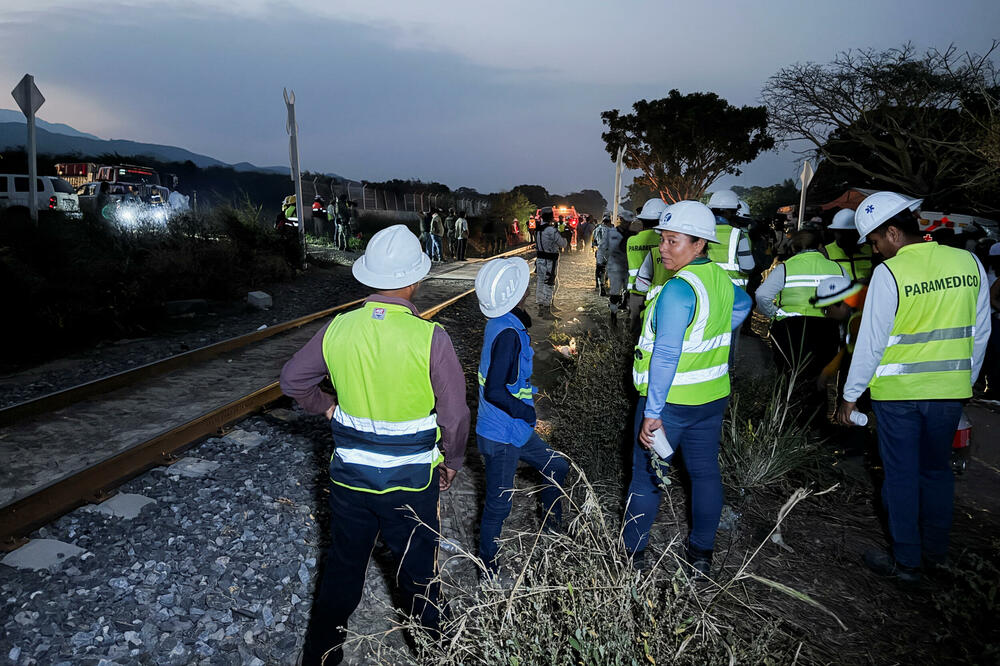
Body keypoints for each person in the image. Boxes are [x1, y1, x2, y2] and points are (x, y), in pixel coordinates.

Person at [280, 225, 470, 665]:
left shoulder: (338, 329)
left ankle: (319, 658)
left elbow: (293, 380)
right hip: (411, 483)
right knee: (419, 575)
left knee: (344, 569)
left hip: (351, 482)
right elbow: (455, 416)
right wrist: (453, 459)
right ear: (414, 280)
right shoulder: (430, 338)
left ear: (368, 278)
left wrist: (326, 407)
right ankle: (438, 655)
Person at [835, 192, 990, 584]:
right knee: (937, 473)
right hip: (948, 393)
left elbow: (870, 342)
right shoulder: (969, 262)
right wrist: (963, 382)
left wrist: (850, 396)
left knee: (901, 476)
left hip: (898, 396)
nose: (874, 250)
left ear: (892, 232)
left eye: (874, 242)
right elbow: (981, 331)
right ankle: (937, 556)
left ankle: (907, 563)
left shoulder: (890, 274)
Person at [624, 201, 752, 575]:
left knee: (646, 481)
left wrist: (652, 413)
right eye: (662, 239)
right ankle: (701, 555)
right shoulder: (717, 277)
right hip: (711, 399)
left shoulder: (677, 290)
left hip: (671, 404)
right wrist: (712, 333)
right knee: (705, 474)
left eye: (673, 241)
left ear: (699, 244)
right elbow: (743, 304)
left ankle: (633, 558)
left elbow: (664, 356)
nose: (663, 247)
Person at [474, 258, 569, 578]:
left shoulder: (503, 323)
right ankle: (487, 568)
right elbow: (495, 391)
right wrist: (526, 410)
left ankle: (553, 534)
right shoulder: (508, 334)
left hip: (513, 430)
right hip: (502, 434)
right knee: (498, 506)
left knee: (557, 465)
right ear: (514, 293)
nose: (528, 284)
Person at [755, 230, 846, 406]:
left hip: (790, 329)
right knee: (820, 379)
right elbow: (846, 303)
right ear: (820, 246)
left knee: (789, 376)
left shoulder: (785, 268)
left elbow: (762, 295)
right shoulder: (838, 268)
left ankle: (787, 417)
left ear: (794, 247)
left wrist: (776, 314)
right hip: (826, 329)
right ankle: (815, 423)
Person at [627, 198, 670, 331]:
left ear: (642, 220)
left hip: (636, 292)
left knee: (636, 330)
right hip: (661, 292)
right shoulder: (665, 241)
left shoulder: (631, 241)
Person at [706, 190, 755, 289]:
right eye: (734, 212)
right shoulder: (738, 235)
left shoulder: (703, 232)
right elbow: (748, 268)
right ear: (728, 212)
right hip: (734, 294)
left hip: (708, 290)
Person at [535, 208, 568, 319]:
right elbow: (563, 244)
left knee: (541, 282)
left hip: (540, 260)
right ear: (550, 217)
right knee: (550, 283)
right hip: (550, 261)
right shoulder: (551, 230)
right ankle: (547, 310)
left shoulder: (538, 229)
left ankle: (541, 307)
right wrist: (565, 237)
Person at [824, 209, 874, 282]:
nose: (846, 237)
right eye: (841, 233)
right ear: (834, 232)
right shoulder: (826, 252)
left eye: (850, 233)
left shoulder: (870, 249)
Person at [597, 214, 628, 322]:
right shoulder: (611, 232)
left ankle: (616, 313)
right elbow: (601, 247)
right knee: (618, 291)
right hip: (618, 266)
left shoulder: (632, 234)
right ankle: (614, 315)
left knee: (619, 291)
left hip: (619, 266)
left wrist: (599, 262)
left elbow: (600, 247)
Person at [593, 215, 611, 294]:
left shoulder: (596, 230)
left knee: (599, 268)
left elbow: (593, 242)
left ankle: (599, 284)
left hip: (600, 251)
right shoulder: (611, 230)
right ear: (609, 222)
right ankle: (605, 283)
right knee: (607, 268)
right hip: (608, 251)